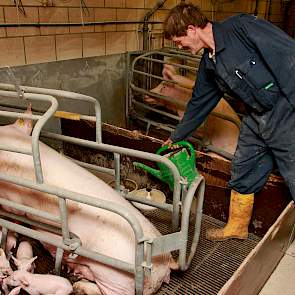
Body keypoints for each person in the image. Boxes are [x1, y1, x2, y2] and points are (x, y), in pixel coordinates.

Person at [162, 3, 295, 241]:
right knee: (242, 169)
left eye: (178, 40)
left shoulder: (242, 28)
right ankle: (237, 227)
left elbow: (288, 56)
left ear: (192, 29)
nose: (179, 46)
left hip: (286, 111)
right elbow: (198, 104)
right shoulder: (209, 64)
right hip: (256, 117)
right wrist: (176, 137)